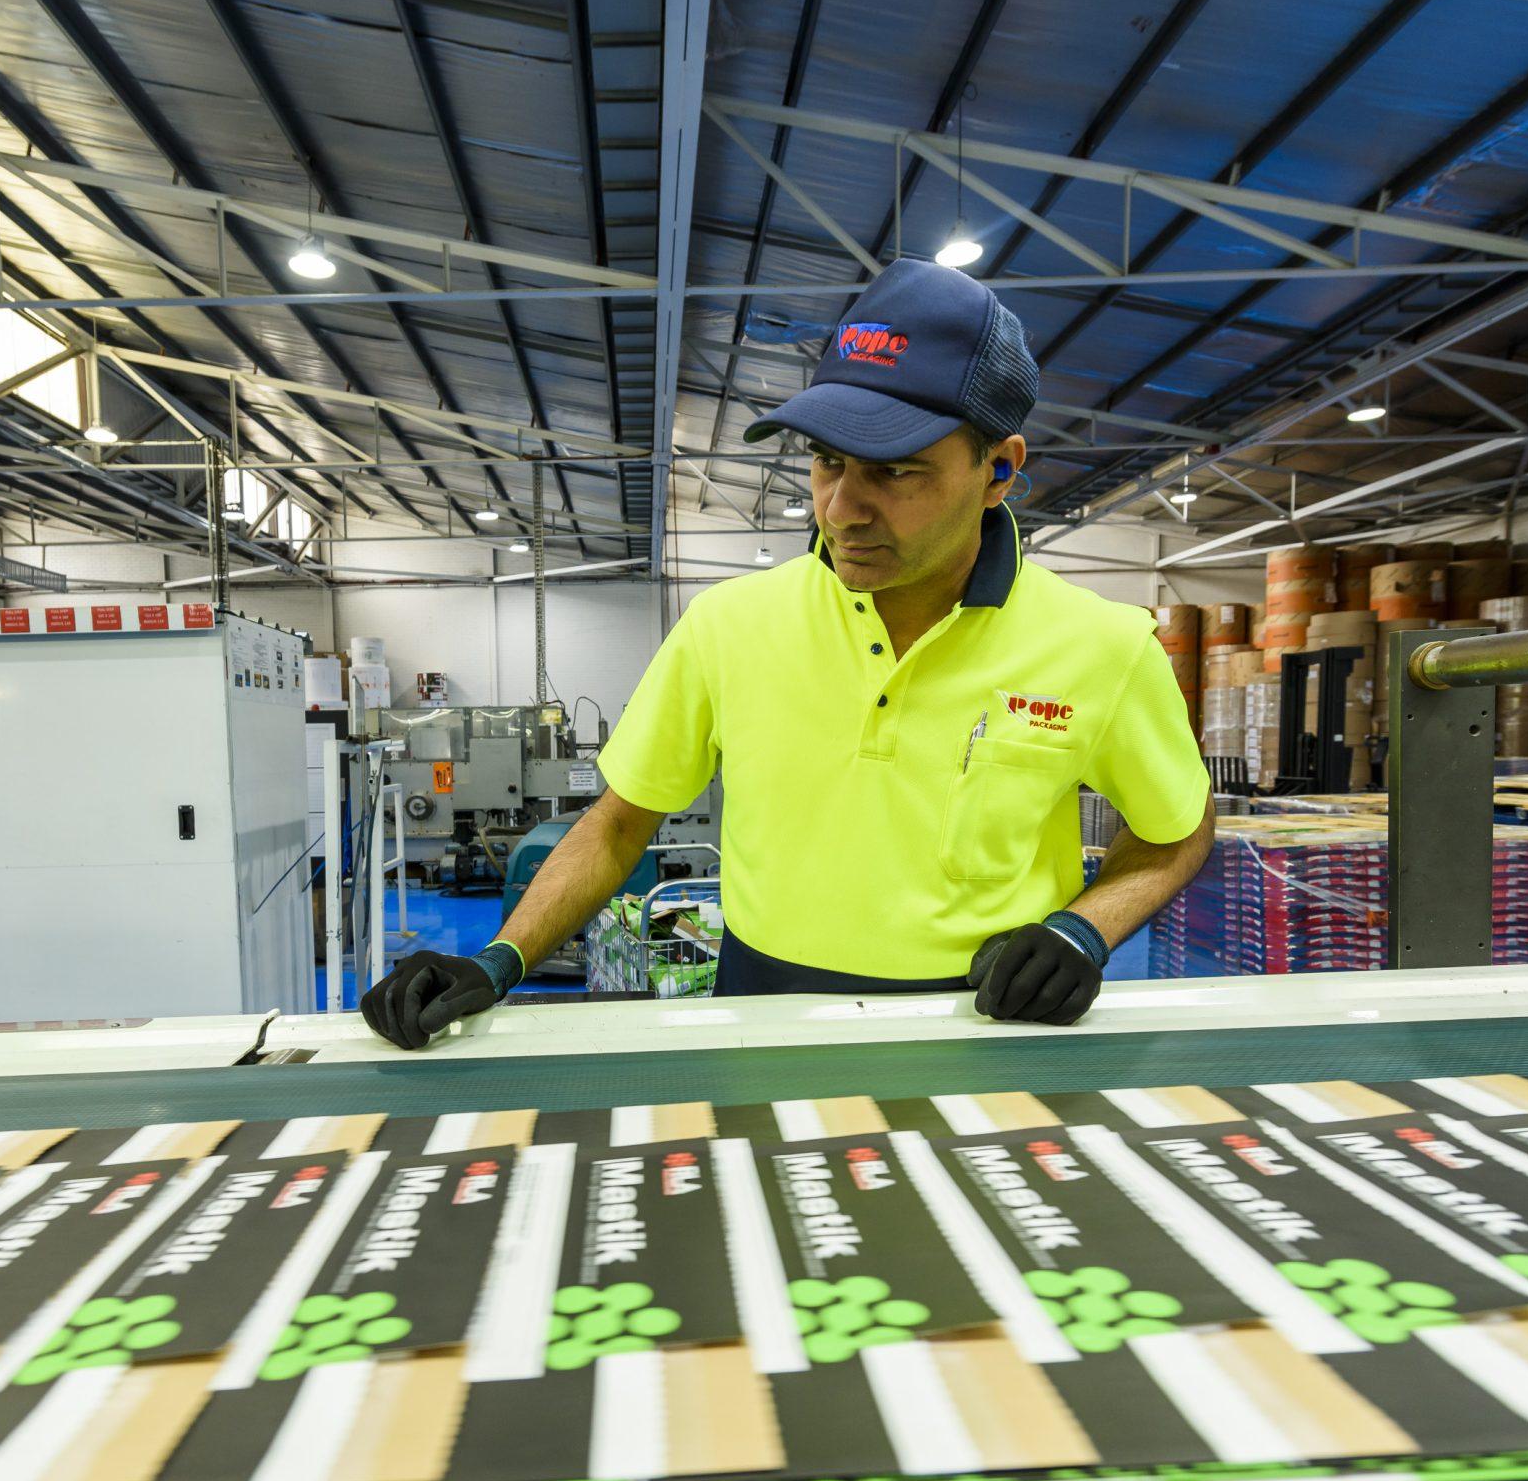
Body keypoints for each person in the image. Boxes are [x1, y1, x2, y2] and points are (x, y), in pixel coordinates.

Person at [362, 256, 1215, 1050]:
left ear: (998, 469)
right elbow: (621, 822)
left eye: (897, 471)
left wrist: (1081, 929)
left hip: (985, 1027)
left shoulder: (1101, 646)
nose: (842, 507)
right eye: (826, 460)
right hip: (760, 1022)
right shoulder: (728, 627)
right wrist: (498, 960)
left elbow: (1177, 827)